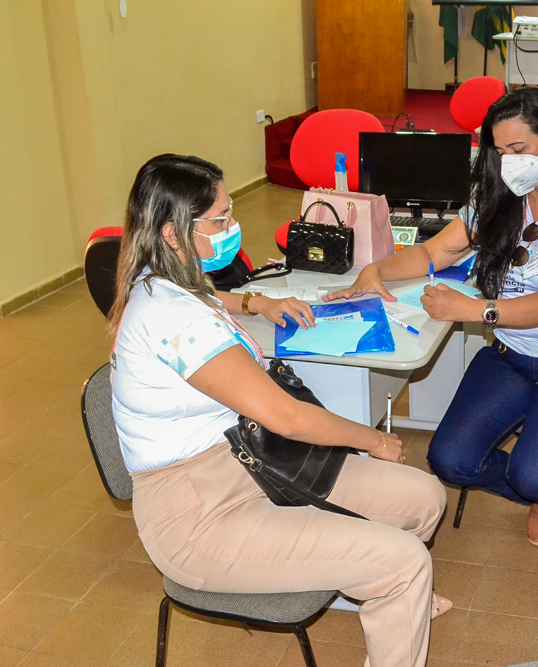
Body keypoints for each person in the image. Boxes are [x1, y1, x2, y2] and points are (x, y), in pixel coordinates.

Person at [110, 154, 449, 667]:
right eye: (218, 220)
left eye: (230, 213)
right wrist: (373, 439)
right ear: (173, 233)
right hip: (197, 515)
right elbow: (286, 417)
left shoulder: (169, 281)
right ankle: (390, 585)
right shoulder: (165, 314)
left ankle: (378, 590)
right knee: (403, 561)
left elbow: (206, 299)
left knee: (424, 499)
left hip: (253, 463)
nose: (232, 228)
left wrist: (254, 303)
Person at [326, 87, 538, 545]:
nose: (508, 162)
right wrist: (375, 269)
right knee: (451, 461)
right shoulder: (497, 200)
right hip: (511, 355)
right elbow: (432, 251)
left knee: (535, 476)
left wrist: (473, 309)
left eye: (519, 149)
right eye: (500, 151)